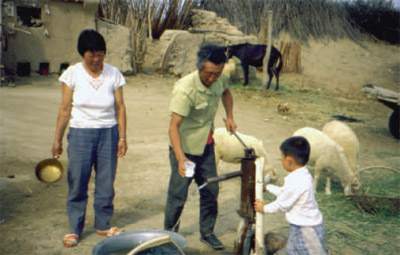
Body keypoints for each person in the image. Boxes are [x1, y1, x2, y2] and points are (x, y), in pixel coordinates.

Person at [51, 29, 127, 248]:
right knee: (78, 182)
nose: (96, 60)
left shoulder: (114, 73)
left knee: (106, 182)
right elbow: (65, 109)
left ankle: (103, 224)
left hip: (108, 133)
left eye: (100, 54)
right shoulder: (72, 74)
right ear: (82, 54)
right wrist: (57, 139)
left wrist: (122, 138)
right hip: (80, 133)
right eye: (91, 55)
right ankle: (75, 228)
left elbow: (120, 107)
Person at [164, 44, 237, 250]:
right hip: (184, 149)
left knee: (211, 190)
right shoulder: (185, 89)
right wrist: (180, 158)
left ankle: (207, 232)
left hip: (206, 146)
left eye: (217, 74)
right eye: (208, 74)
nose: (213, 78)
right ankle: (168, 237)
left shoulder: (220, 78)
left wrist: (230, 116)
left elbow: (226, 92)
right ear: (199, 67)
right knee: (178, 194)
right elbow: (173, 127)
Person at [254, 136, 328, 255]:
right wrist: (268, 187)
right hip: (299, 226)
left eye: (281, 157)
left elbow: (283, 204)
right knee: (292, 251)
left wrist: (264, 208)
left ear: (288, 160)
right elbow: (286, 193)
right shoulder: (302, 175)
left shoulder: (296, 181)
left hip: (307, 228)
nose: (282, 160)